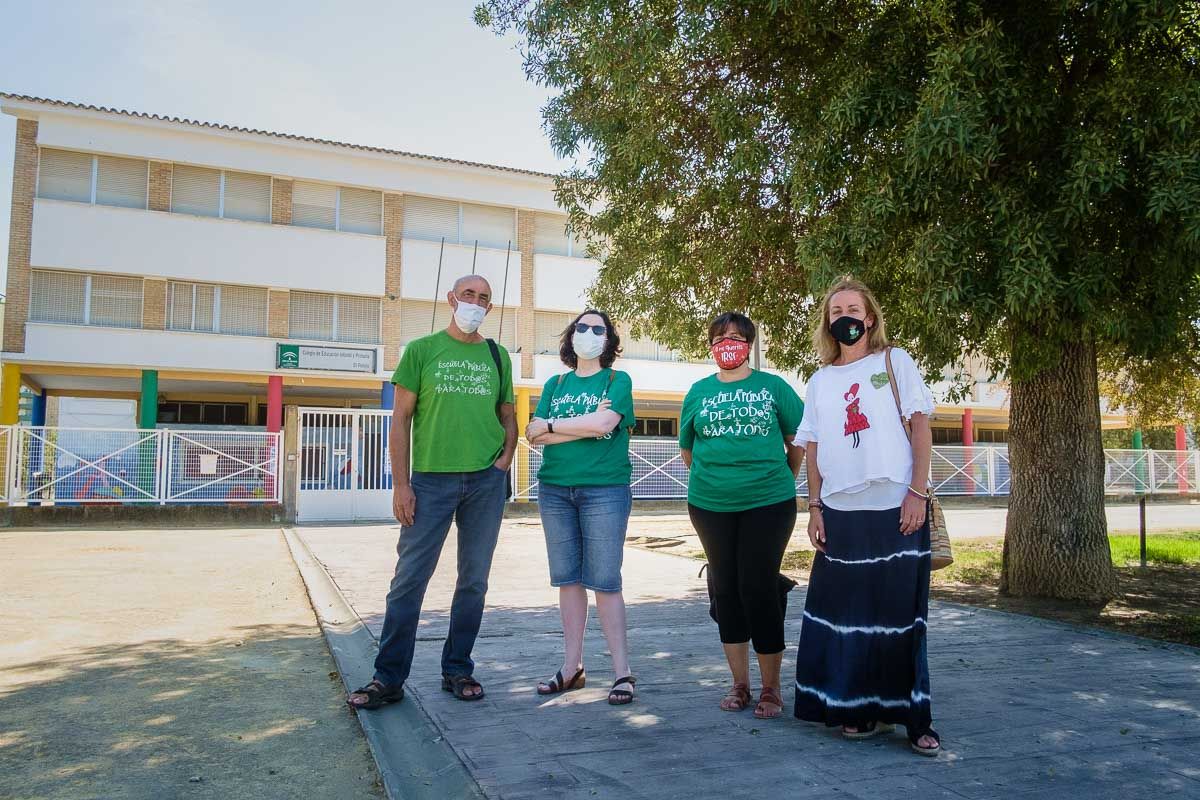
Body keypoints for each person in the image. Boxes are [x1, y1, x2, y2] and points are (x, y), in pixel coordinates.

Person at [347, 274, 516, 710]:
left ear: (490, 308)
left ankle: (458, 668)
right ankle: (388, 677)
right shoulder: (421, 351)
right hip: (430, 481)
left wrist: (504, 459)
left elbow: (507, 413)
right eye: (468, 295)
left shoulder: (497, 356)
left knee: (473, 582)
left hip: (485, 482)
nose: (475, 303)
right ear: (451, 299)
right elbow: (400, 419)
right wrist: (401, 484)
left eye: (483, 298)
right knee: (409, 581)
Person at [791, 276, 941, 756]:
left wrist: (917, 491)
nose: (845, 318)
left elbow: (920, 427)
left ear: (870, 316)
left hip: (898, 506)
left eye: (853, 309)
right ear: (827, 322)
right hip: (840, 512)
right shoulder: (819, 380)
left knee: (900, 617)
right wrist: (814, 507)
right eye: (836, 312)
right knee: (848, 617)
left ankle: (916, 719)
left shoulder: (895, 361)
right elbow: (813, 449)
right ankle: (858, 709)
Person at [679, 312, 805, 720]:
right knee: (726, 588)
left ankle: (771, 688)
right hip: (709, 504)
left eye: (735, 336)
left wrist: (785, 477)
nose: (727, 343)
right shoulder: (698, 391)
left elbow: (799, 439)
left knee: (758, 586)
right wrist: (715, 477)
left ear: (749, 343)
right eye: (719, 337)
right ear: (710, 345)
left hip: (768, 501)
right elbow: (688, 450)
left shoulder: (772, 386)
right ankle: (740, 683)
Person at [524, 310, 638, 705]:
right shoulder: (555, 383)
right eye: (582, 327)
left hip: (604, 490)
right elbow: (532, 435)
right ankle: (572, 667)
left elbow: (604, 425)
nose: (588, 333)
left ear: (609, 340)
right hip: (555, 491)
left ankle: (622, 672)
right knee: (567, 580)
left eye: (598, 328)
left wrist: (556, 426)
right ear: (571, 336)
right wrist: (581, 424)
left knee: (605, 581)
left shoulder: (617, 380)